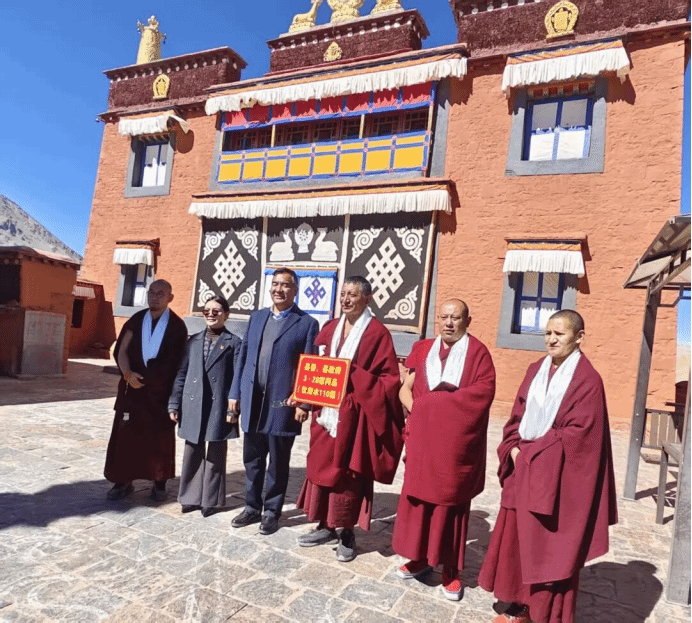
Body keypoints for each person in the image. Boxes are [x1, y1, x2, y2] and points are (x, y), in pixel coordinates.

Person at [478, 310, 618, 623]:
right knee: (518, 541)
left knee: (547, 545)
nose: (552, 340)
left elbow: (579, 436)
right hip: (525, 467)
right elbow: (517, 415)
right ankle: (518, 605)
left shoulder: (587, 381)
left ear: (579, 337)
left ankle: (542, 613)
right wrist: (514, 448)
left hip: (555, 478)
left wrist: (528, 456)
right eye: (548, 333)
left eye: (560, 334)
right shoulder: (535, 370)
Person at [392, 299, 496, 601]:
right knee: (419, 501)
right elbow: (405, 389)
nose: (449, 323)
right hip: (422, 440)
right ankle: (420, 558)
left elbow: (482, 395)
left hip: (454, 445)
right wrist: (421, 415)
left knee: (450, 505)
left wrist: (431, 408)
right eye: (444, 317)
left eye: (456, 318)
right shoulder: (424, 349)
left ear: (468, 321)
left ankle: (450, 570)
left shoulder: (478, 354)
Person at [296, 276, 405, 563]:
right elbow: (316, 367)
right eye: (343, 294)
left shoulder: (377, 334)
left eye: (352, 295)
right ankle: (324, 525)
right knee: (320, 465)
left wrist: (352, 374)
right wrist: (305, 396)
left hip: (355, 415)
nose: (345, 299)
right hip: (326, 412)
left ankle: (346, 532)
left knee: (348, 474)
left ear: (367, 299)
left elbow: (389, 380)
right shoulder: (331, 327)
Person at [229, 268, 319, 535]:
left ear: (295, 290)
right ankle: (251, 507)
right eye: (275, 284)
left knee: (278, 462)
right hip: (254, 401)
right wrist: (235, 393)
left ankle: (271, 511)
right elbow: (244, 357)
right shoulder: (257, 317)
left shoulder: (306, 323)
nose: (279, 289)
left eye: (285, 285)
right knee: (252, 459)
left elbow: (310, 364)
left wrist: (304, 402)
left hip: (283, 404)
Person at [104, 279, 188, 501]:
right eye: (151, 292)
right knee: (126, 436)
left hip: (160, 393)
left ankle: (159, 483)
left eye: (160, 293)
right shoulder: (136, 320)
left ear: (170, 298)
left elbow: (178, 362)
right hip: (132, 390)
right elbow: (121, 350)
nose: (155, 297)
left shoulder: (177, 326)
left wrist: (163, 386)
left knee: (160, 439)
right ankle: (122, 481)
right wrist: (127, 374)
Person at [168, 295, 241, 517]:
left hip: (219, 405)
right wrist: (174, 403)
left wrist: (233, 409)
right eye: (206, 311)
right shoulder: (193, 341)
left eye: (216, 311)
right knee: (192, 450)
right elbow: (181, 373)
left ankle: (211, 500)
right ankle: (190, 497)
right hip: (193, 402)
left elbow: (237, 379)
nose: (210, 314)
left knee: (216, 453)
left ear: (226, 314)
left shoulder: (234, 343)